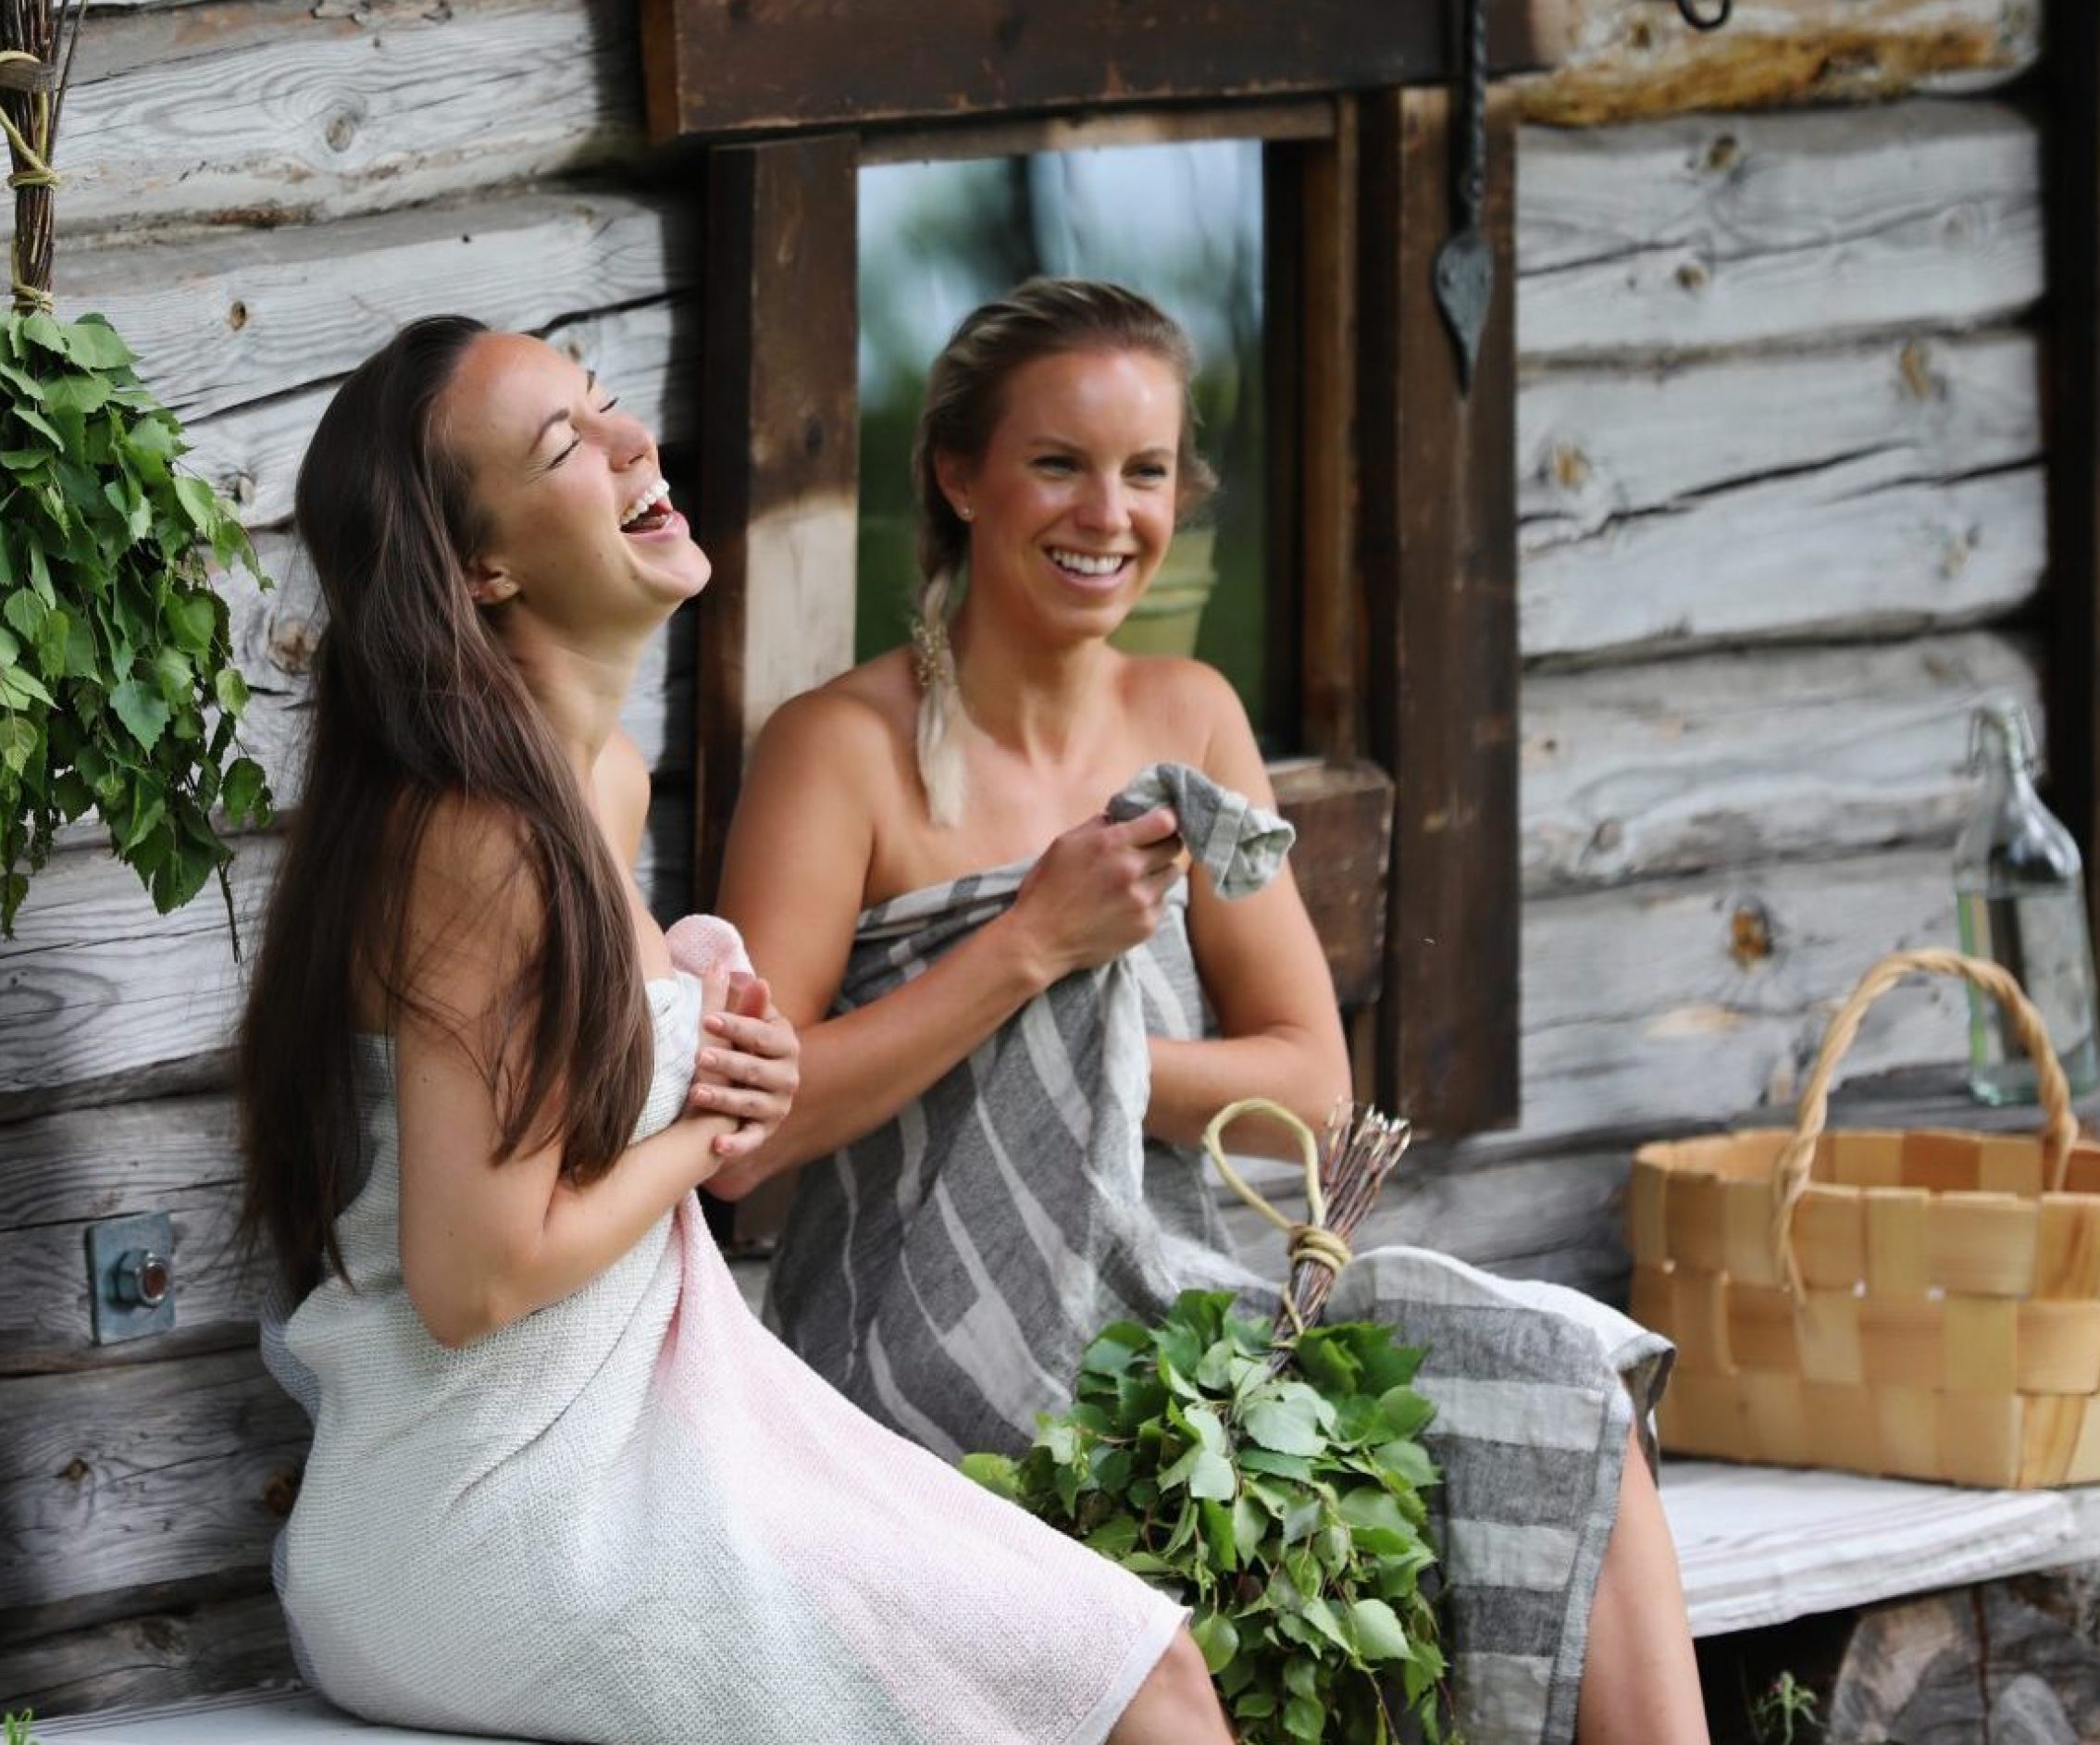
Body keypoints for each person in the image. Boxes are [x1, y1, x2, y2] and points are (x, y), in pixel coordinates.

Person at [715, 279, 1709, 1745]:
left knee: (1559, 1366)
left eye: (1147, 471)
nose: (1107, 514)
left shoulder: (1189, 719)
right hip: (914, 1344)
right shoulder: (839, 753)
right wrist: (1027, 952)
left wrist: (1097, 1049)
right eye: (1058, 462)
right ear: (958, 475)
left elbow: (1312, 1083)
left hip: (1181, 1321)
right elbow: (748, 1143)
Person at [235, 315, 1233, 1745]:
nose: (635, 443)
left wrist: (714, 1044)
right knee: (1122, 1682)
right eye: (567, 446)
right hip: (491, 1511)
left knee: (1138, 1660)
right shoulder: (476, 841)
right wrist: (705, 1121)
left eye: (605, 403)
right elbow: (476, 1275)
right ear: (482, 568)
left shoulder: (598, 786)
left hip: (644, 1445)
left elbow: (591, 1100)